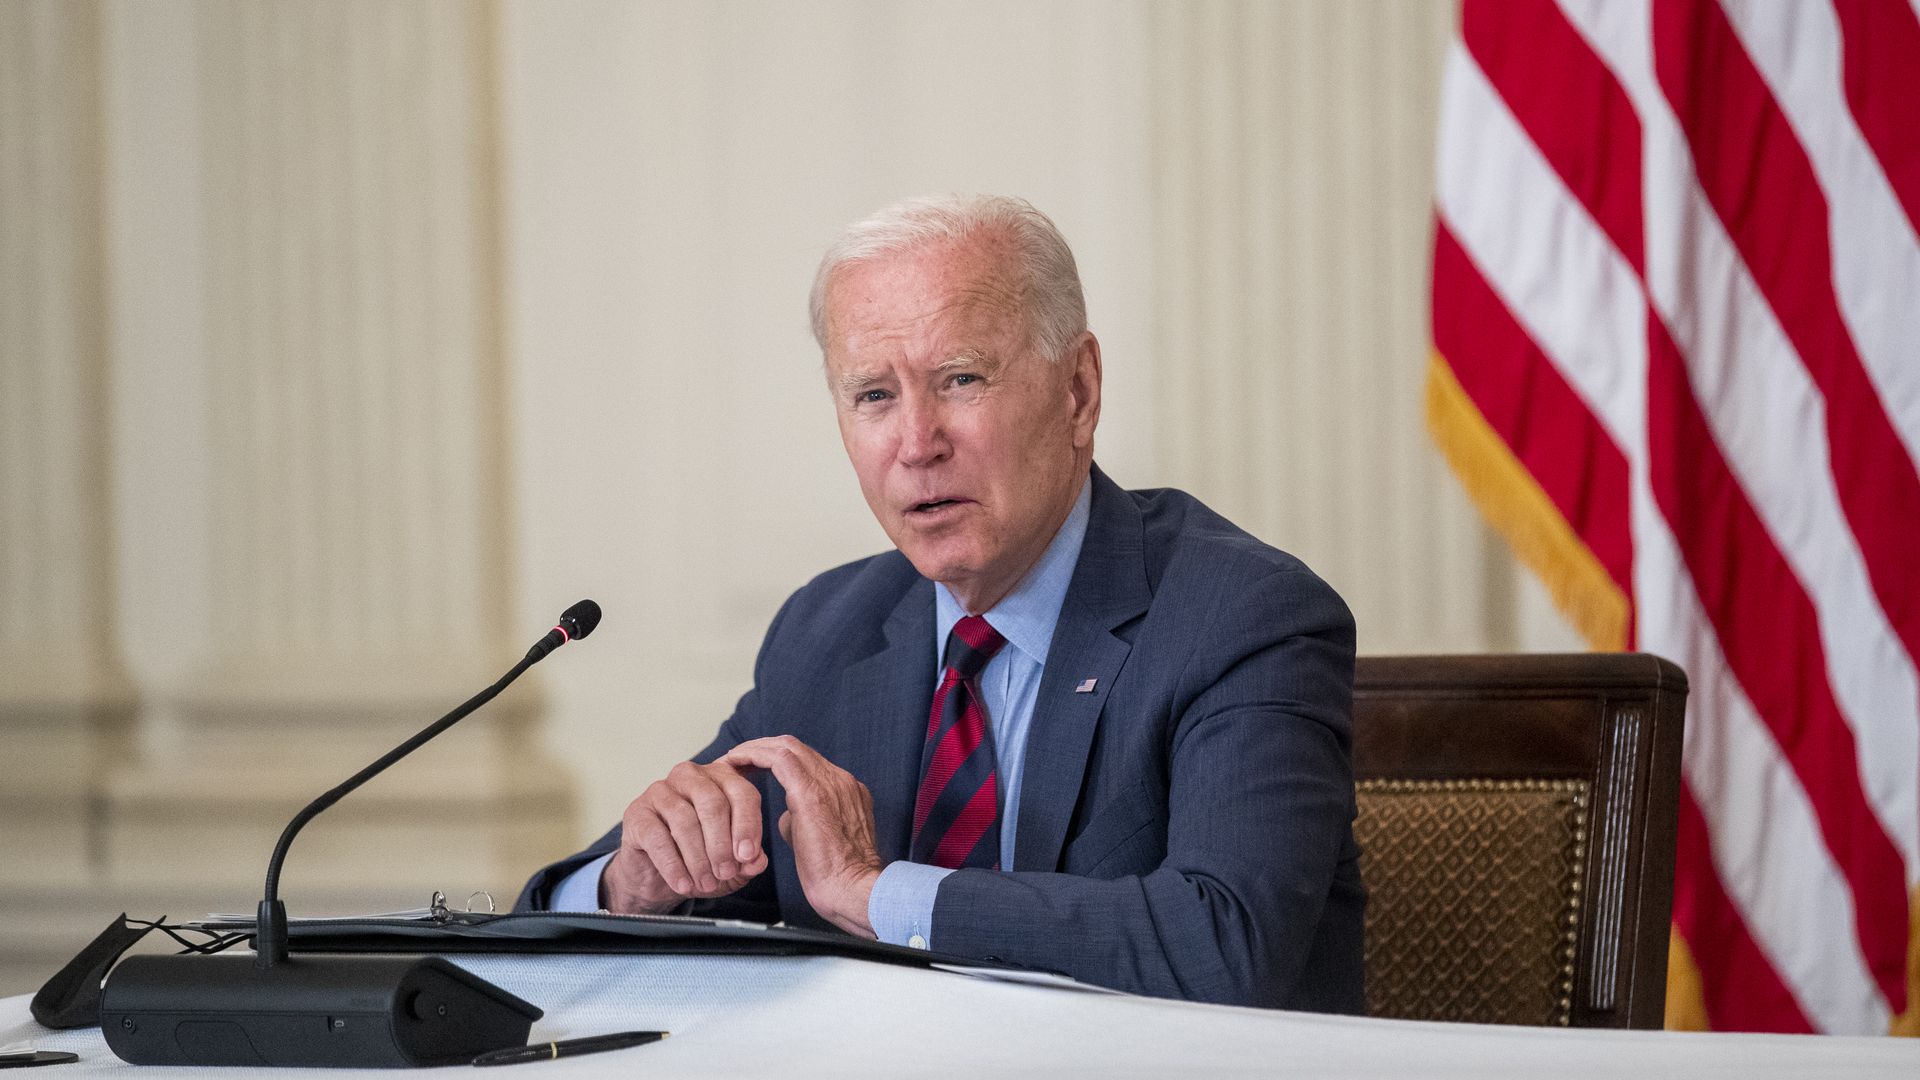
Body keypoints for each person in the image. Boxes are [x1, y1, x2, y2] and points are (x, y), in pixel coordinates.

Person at [516, 194, 1364, 1011]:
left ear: (1078, 392)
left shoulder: (1241, 615)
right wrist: (638, 879)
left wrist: (877, 895)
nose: (917, 445)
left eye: (961, 379)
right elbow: (678, 887)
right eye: (874, 396)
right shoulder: (830, 631)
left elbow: (1225, 945)